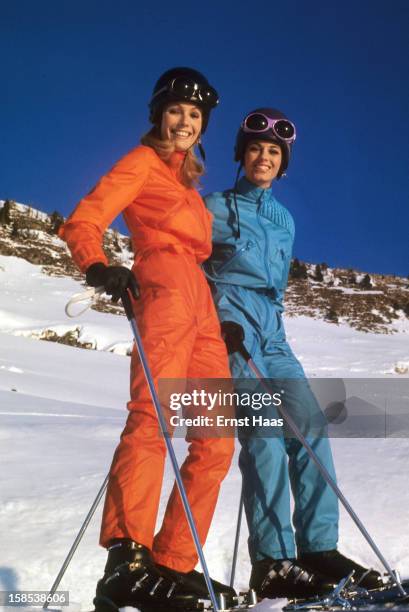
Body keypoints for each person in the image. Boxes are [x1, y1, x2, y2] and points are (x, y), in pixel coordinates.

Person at [59, 67, 236, 611]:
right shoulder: (140, 164)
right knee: (154, 418)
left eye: (194, 116)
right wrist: (98, 266)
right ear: (159, 114)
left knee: (217, 441)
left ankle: (174, 562)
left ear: (202, 127)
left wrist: (216, 313)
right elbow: (84, 219)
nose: (184, 122)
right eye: (177, 111)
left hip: (200, 303)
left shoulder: (189, 183)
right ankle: (127, 559)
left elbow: (195, 253)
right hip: (160, 291)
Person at [203, 108, 382, 599]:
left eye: (275, 152)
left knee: (309, 428)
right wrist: (215, 317)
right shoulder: (212, 207)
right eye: (256, 148)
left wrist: (270, 325)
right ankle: (272, 560)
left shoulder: (285, 221)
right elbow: (186, 264)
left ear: (284, 164)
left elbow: (277, 286)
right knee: (262, 435)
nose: (264, 156)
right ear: (241, 154)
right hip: (232, 327)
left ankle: (317, 549)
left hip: (272, 332)